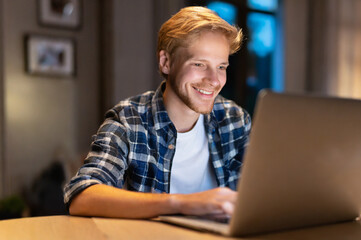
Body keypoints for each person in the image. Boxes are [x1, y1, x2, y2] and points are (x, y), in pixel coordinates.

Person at [64, 6, 251, 219]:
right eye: (199, 64)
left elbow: (262, 193)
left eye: (221, 67)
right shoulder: (129, 120)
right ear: (166, 62)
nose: (215, 80)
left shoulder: (234, 119)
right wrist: (183, 203)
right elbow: (82, 197)